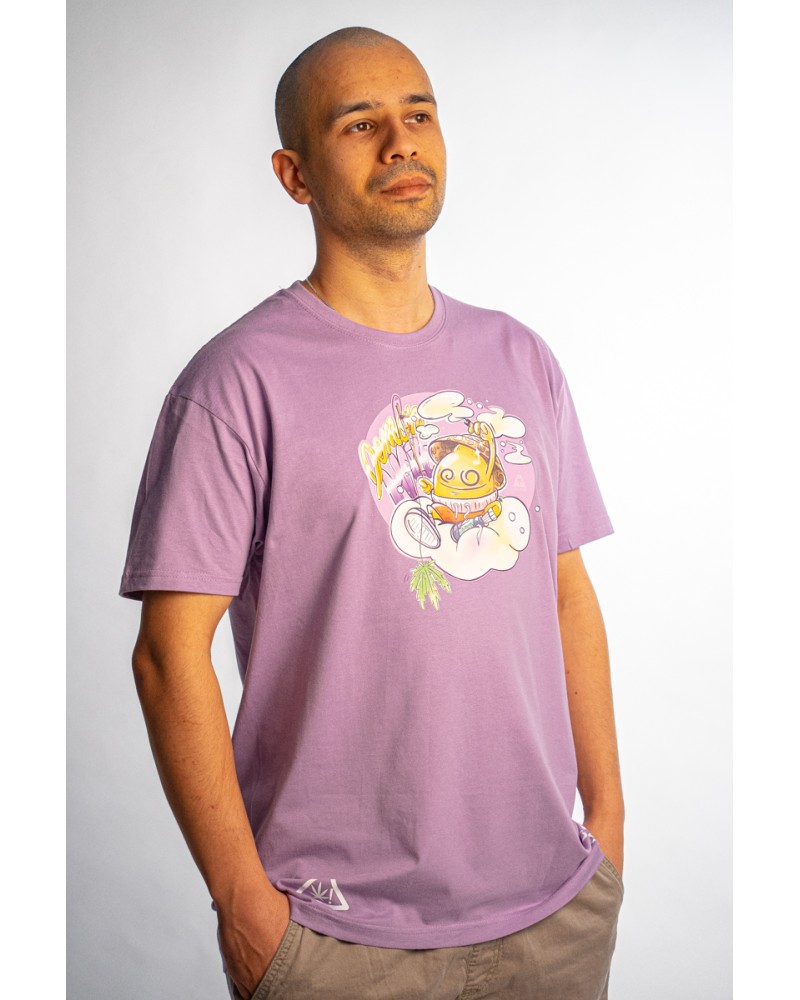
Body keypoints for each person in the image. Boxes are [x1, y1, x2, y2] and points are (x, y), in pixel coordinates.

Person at [120, 25, 625, 1000]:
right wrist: (245, 906)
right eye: (359, 124)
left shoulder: (520, 357)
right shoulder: (235, 382)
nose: (400, 143)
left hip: (553, 915)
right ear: (294, 175)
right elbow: (167, 656)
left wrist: (604, 824)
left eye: (418, 115)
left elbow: (564, 592)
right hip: (333, 937)